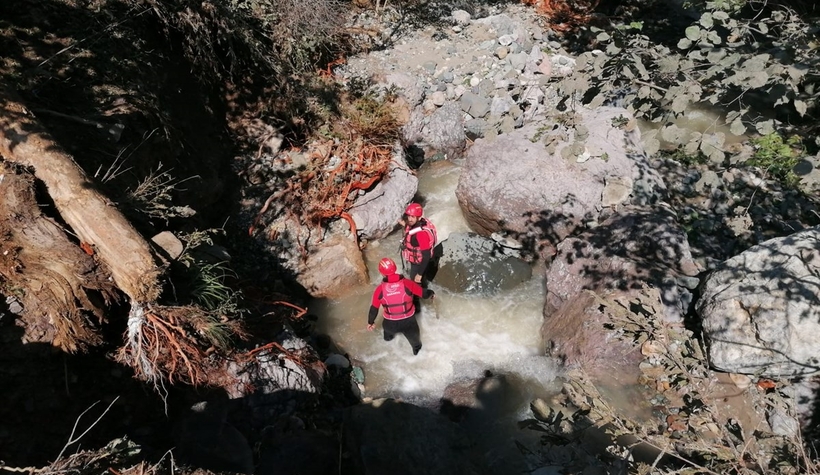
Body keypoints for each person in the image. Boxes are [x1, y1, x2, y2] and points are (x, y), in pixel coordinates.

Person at [367, 257, 434, 355]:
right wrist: (431, 293)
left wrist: (370, 322)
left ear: (381, 273)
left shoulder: (379, 290)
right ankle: (418, 357)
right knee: (416, 345)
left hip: (390, 324)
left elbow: (373, 310)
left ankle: (388, 350)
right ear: (395, 268)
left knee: (387, 338)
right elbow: (424, 294)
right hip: (409, 323)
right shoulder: (407, 284)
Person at [399, 203, 438, 285]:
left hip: (419, 264)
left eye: (412, 217)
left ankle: (421, 295)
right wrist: (404, 224)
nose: (409, 219)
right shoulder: (421, 222)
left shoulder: (421, 235)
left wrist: (419, 274)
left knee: (415, 284)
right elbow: (411, 228)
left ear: (419, 217)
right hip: (418, 261)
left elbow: (426, 256)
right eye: (408, 216)